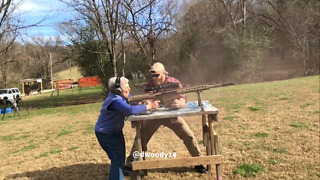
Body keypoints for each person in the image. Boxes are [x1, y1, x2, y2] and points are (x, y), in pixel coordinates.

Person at [124, 62, 207, 175]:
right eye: (152, 75)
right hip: (154, 117)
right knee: (140, 139)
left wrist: (180, 103)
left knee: (189, 136)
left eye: (156, 75)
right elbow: (149, 98)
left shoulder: (174, 82)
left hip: (171, 115)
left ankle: (199, 162)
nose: (154, 78)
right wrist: (149, 103)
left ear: (164, 73)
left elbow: (183, 96)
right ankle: (130, 164)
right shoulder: (149, 85)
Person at [95, 77, 158, 180]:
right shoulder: (115, 100)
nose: (129, 89)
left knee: (120, 159)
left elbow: (131, 101)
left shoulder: (119, 96)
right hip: (106, 134)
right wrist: (148, 106)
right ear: (118, 89)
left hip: (114, 132)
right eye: (126, 87)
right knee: (117, 160)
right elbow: (129, 110)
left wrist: (140, 103)